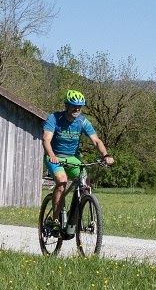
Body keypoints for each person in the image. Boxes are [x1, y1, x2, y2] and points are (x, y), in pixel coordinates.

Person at [45, 89, 115, 238]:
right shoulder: (54, 118)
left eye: (80, 106)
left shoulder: (82, 121)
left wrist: (106, 155)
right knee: (62, 181)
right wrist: (51, 155)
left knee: (85, 184)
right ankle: (56, 220)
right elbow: (46, 140)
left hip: (73, 158)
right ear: (66, 105)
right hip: (56, 157)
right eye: (73, 106)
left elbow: (96, 140)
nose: (77, 109)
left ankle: (75, 216)